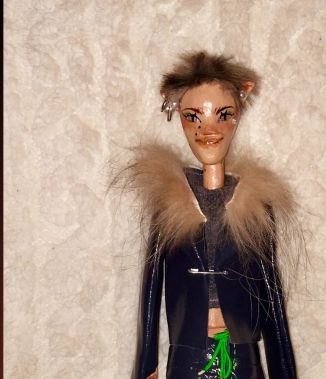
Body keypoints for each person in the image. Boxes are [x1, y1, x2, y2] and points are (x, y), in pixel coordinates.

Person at [113, 51, 302, 379]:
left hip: (242, 357)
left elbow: (272, 295)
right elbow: (151, 289)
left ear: (237, 113)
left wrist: (283, 370)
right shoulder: (170, 205)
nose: (208, 129)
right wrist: (146, 366)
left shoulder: (255, 207)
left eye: (223, 114)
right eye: (193, 116)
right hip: (187, 358)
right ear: (178, 114)